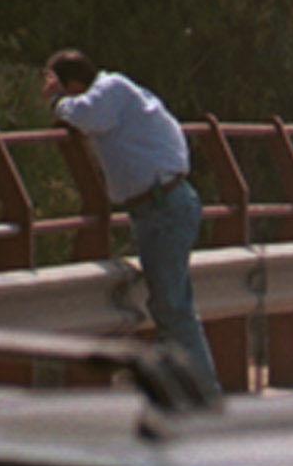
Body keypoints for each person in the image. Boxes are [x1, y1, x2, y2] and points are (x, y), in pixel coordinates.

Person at [43, 50, 219, 391]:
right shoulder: (117, 92)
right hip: (156, 207)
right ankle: (180, 388)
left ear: (74, 84)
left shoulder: (111, 90)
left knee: (172, 305)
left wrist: (57, 102)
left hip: (164, 206)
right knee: (167, 304)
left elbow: (85, 115)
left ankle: (203, 393)